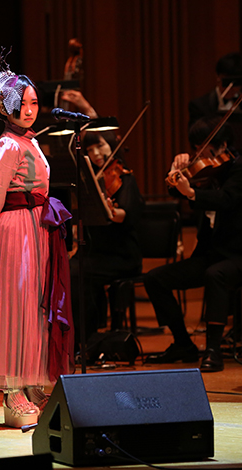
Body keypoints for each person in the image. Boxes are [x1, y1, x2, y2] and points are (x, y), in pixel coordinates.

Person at [0, 52, 73, 428]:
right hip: (14, 229)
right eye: (22, 104)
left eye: (34, 103)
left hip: (35, 227)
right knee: (15, 305)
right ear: (6, 108)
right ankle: (13, 391)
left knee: (34, 306)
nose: (29, 110)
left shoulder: (30, 141)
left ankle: (32, 380)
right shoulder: (8, 145)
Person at [144, 117, 242, 372]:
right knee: (155, 279)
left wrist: (192, 193)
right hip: (211, 254)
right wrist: (174, 170)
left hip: (240, 255)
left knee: (215, 275)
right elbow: (174, 190)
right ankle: (183, 343)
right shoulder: (207, 169)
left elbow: (226, 199)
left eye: (202, 147)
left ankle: (213, 350)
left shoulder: (241, 168)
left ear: (222, 144)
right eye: (195, 148)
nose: (198, 155)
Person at [70, 129, 144, 355]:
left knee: (79, 272)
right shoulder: (89, 181)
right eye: (90, 150)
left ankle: (86, 339)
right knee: (68, 269)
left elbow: (124, 215)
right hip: (96, 253)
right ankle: (80, 338)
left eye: (100, 146)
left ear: (111, 144)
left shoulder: (126, 179)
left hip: (121, 255)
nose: (95, 153)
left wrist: (108, 209)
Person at [189, 52, 242, 155]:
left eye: (236, 83)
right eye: (226, 82)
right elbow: (194, 141)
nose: (232, 88)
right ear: (218, 77)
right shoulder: (199, 106)